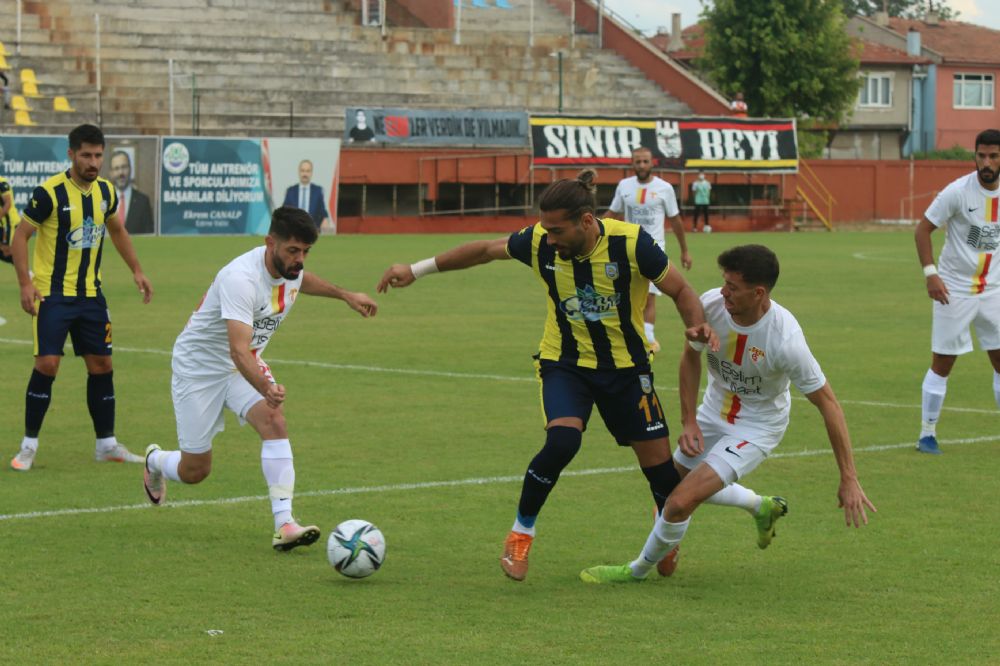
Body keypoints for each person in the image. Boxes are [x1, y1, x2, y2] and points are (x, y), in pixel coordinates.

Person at [377, 169, 717, 581]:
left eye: (557, 231)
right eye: (545, 230)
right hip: (566, 364)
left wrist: (696, 327)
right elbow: (485, 250)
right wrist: (417, 269)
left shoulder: (631, 243)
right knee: (563, 440)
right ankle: (520, 536)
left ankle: (665, 535)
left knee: (661, 473)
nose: (549, 239)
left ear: (587, 222)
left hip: (628, 370)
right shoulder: (539, 241)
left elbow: (681, 290)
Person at [580, 244, 876, 584]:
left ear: (759, 292)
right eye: (724, 282)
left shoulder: (786, 340)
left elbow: (829, 404)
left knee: (677, 503)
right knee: (665, 489)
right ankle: (760, 506)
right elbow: (690, 358)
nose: (723, 292)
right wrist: (689, 420)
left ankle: (635, 572)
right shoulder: (709, 305)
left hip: (757, 427)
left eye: (732, 287)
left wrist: (849, 477)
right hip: (713, 411)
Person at [142, 206, 378, 551]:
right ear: (270, 243)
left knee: (274, 421)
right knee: (196, 471)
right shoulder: (241, 279)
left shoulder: (289, 267)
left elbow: (301, 280)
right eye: (293, 251)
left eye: (306, 252)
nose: (299, 260)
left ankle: (285, 524)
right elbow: (237, 351)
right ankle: (154, 460)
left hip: (243, 362)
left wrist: (345, 295)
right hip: (200, 369)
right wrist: (267, 387)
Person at [9, 124, 153, 472]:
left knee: (102, 366)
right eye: (86, 155)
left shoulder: (105, 192)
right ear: (71, 154)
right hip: (53, 296)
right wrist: (26, 286)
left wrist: (136, 269)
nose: (93, 162)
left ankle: (106, 444)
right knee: (48, 365)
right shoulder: (49, 193)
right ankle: (28, 446)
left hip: (91, 296)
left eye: (98, 155)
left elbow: (117, 230)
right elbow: (20, 236)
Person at [914, 128, 1000, 455]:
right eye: (981, 155)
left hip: (994, 290)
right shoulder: (957, 192)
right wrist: (930, 274)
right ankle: (927, 433)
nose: (986, 162)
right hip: (954, 290)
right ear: (974, 156)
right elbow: (923, 230)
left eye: (993, 156)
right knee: (943, 361)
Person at [606, 146, 692, 354]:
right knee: (627, 294)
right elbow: (613, 213)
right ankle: (630, 335)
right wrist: (592, 228)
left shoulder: (664, 188)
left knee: (649, 295)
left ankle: (649, 340)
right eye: (638, 161)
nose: (642, 165)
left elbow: (675, 220)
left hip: (654, 248)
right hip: (627, 247)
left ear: (652, 163)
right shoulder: (624, 186)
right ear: (632, 163)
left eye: (645, 161)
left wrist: (684, 251)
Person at [109, 149, 154, 235]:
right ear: (111, 173)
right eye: (116, 168)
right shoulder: (103, 200)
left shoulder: (143, 201)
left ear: (130, 169)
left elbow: (149, 236)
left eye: (124, 167)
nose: (121, 173)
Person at [282, 159, 329, 230]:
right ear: (299, 172)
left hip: (312, 230)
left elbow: (322, 211)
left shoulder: (318, 191)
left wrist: (325, 219)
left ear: (311, 173)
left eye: (308, 171)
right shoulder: (290, 191)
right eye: (302, 170)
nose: (305, 174)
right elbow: (284, 211)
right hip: (294, 230)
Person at [0, 173, 19, 264]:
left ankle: (29, 275)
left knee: (7, 251)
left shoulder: (2, 183)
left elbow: (8, 203)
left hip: (10, 223)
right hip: (3, 224)